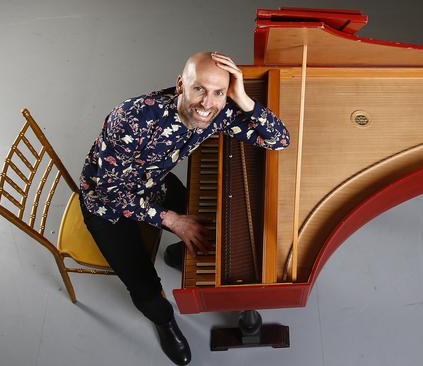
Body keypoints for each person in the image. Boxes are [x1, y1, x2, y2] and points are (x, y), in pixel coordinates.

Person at [78, 51, 290, 365]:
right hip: (106, 205)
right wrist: (172, 220)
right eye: (199, 89)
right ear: (181, 85)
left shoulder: (218, 112)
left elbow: (279, 140)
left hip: (153, 185)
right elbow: (111, 193)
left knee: (209, 216)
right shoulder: (132, 118)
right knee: (145, 286)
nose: (207, 103)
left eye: (219, 92)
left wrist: (242, 98)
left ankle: (176, 253)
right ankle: (164, 321)